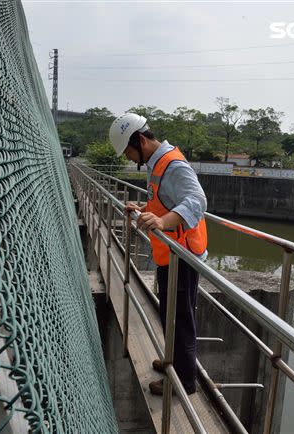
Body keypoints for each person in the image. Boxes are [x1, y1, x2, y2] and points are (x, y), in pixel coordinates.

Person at [108, 112, 208, 396]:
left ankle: (184, 381)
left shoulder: (173, 165)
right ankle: (173, 362)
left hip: (183, 255)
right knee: (169, 314)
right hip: (170, 254)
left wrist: (163, 223)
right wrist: (143, 209)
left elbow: (197, 200)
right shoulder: (157, 163)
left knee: (180, 318)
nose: (129, 158)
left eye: (128, 151)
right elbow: (164, 202)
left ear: (140, 140)